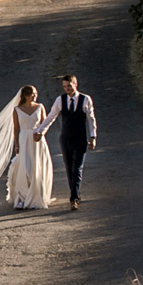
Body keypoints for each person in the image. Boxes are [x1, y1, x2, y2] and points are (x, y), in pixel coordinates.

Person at [35, 73, 97, 209]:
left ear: (75, 84)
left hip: (80, 138)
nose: (67, 89)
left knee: (77, 168)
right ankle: (75, 192)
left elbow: (91, 118)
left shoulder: (85, 99)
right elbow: (51, 116)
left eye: (69, 86)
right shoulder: (60, 100)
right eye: (64, 86)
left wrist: (93, 136)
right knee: (69, 167)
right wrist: (39, 130)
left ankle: (73, 198)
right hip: (65, 138)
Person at [6, 84, 52, 209]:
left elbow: (45, 123)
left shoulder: (40, 107)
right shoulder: (17, 110)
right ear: (25, 96)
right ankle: (22, 196)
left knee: (36, 168)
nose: (35, 96)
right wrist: (16, 145)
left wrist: (41, 133)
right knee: (25, 168)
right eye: (32, 94)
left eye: (36, 94)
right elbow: (16, 129)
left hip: (37, 140)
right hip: (24, 139)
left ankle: (36, 196)